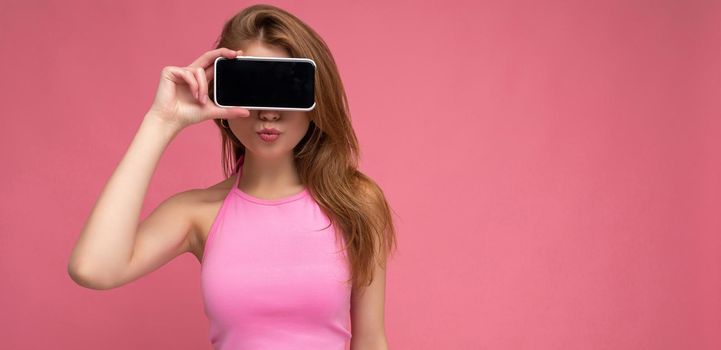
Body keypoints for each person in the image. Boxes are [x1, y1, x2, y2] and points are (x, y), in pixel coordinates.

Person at [67, 4, 397, 350]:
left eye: (285, 89)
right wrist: (161, 121)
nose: (268, 113)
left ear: (315, 98)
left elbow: (371, 340)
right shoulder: (197, 213)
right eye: (252, 88)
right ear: (222, 92)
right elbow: (92, 268)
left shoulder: (356, 203)